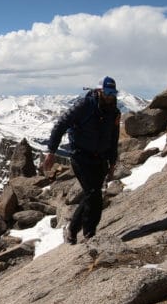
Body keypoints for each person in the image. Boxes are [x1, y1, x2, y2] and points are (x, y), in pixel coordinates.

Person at [42, 76, 121, 244]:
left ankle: (72, 229)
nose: (110, 96)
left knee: (91, 195)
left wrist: (113, 162)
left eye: (113, 93)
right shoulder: (84, 106)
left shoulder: (114, 111)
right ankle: (89, 234)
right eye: (107, 92)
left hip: (100, 158)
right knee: (94, 194)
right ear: (99, 91)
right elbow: (61, 124)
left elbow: (113, 138)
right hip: (80, 156)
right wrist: (51, 151)